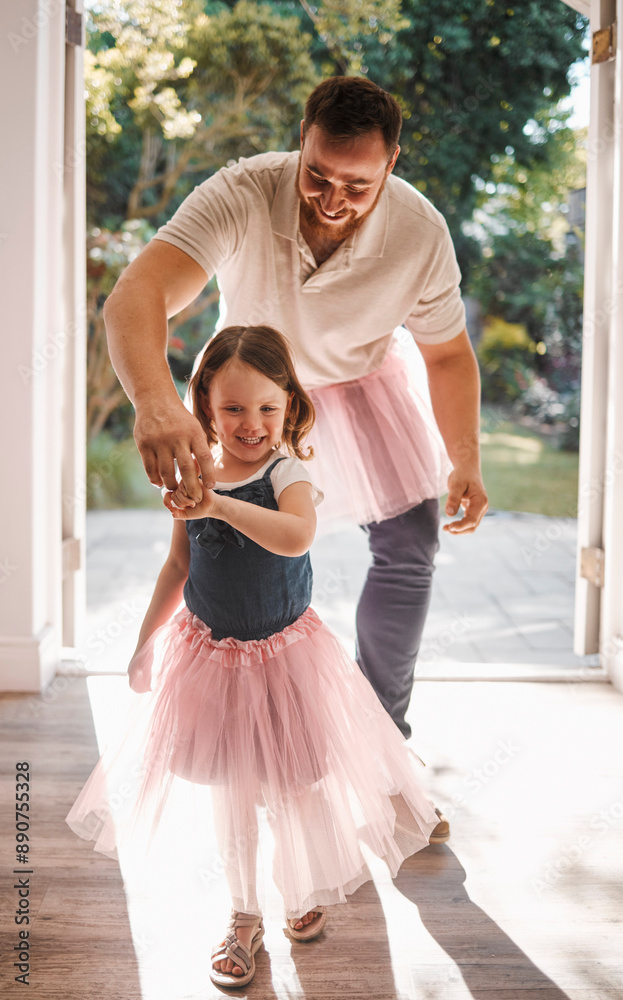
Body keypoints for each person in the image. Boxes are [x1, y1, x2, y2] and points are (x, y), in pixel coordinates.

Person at [103, 76, 487, 768]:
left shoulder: (420, 231)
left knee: (409, 545)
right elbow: (139, 291)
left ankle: (383, 749)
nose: (334, 199)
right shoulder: (242, 191)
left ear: (391, 162)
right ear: (300, 142)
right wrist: (157, 401)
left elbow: (449, 355)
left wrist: (464, 458)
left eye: (358, 184)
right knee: (228, 549)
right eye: (318, 175)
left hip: (364, 386)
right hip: (256, 390)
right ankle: (247, 739)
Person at [67, 324, 445, 989]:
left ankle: (300, 889)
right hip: (212, 662)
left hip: (286, 661)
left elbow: (295, 537)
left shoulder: (285, 471)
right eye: (233, 408)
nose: (251, 423)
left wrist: (214, 502)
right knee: (235, 798)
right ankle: (242, 916)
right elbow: (178, 564)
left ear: (288, 405)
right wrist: (141, 643)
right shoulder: (195, 474)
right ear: (204, 406)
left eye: (267, 408)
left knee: (294, 789)